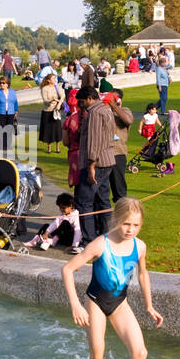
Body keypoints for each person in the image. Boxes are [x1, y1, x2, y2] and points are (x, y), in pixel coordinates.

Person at [60, 197, 162, 359]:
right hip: (95, 303)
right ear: (116, 219)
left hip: (119, 303)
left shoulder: (140, 246)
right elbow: (67, 269)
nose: (130, 230)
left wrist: (149, 305)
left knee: (140, 353)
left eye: (136, 225)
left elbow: (143, 274)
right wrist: (76, 305)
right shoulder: (101, 244)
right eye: (126, 224)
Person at [75, 86, 115, 249]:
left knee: (84, 202)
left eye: (81, 101)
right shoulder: (105, 109)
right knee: (103, 201)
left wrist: (91, 165)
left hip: (97, 164)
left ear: (89, 98)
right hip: (107, 161)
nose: (80, 105)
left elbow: (94, 141)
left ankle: (89, 241)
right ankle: (106, 236)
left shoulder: (95, 113)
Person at [107, 90, 134, 203]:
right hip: (103, 154)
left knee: (119, 189)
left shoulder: (125, 111)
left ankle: (122, 214)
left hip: (118, 153)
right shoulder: (104, 112)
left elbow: (128, 120)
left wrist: (114, 106)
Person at [0, 76, 18, 157]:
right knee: (1, 129)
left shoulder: (12, 92)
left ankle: (8, 145)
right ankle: (2, 145)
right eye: (1, 83)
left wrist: (16, 112)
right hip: (0, 113)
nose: (2, 85)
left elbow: (15, 103)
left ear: (7, 84)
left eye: (3, 83)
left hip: (11, 113)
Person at [38, 73, 62, 153]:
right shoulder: (44, 88)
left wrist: (59, 104)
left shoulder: (57, 87)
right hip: (47, 111)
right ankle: (49, 147)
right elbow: (45, 100)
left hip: (56, 111)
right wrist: (53, 99)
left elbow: (62, 96)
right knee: (48, 130)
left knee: (57, 129)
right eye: (53, 79)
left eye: (55, 78)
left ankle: (58, 147)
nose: (55, 80)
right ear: (48, 80)